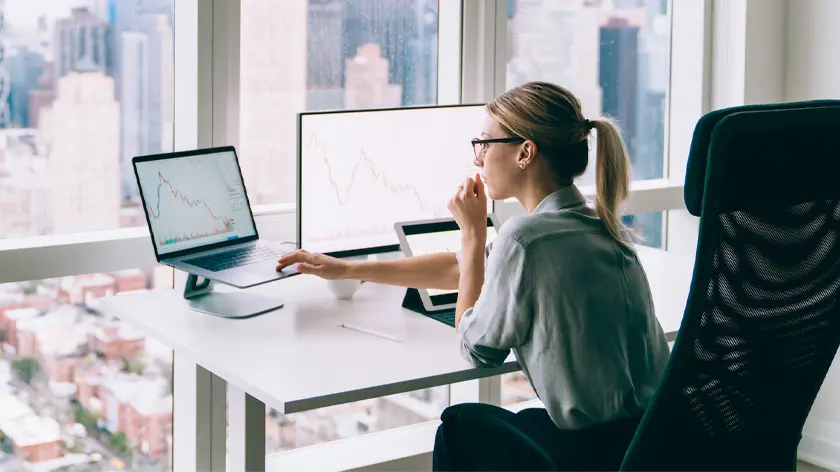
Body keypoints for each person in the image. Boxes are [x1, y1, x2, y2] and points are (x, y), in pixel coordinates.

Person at [276, 81, 671, 471]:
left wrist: (472, 231)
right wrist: (346, 268)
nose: (478, 158)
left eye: (485, 143)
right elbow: (463, 267)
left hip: (588, 455)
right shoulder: (598, 227)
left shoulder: (523, 238)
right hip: (649, 442)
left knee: (457, 427)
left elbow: (476, 348)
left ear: (525, 153)